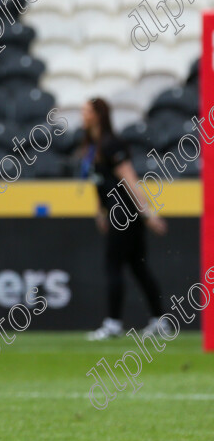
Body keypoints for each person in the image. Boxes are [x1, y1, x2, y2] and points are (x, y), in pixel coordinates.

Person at [79, 97, 169, 341]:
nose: (82, 115)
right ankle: (160, 320)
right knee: (138, 266)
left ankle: (113, 323)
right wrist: (100, 211)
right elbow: (100, 184)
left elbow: (129, 179)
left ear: (98, 115)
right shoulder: (93, 146)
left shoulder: (111, 144)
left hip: (125, 212)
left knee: (113, 265)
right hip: (115, 211)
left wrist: (147, 212)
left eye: (86, 111)